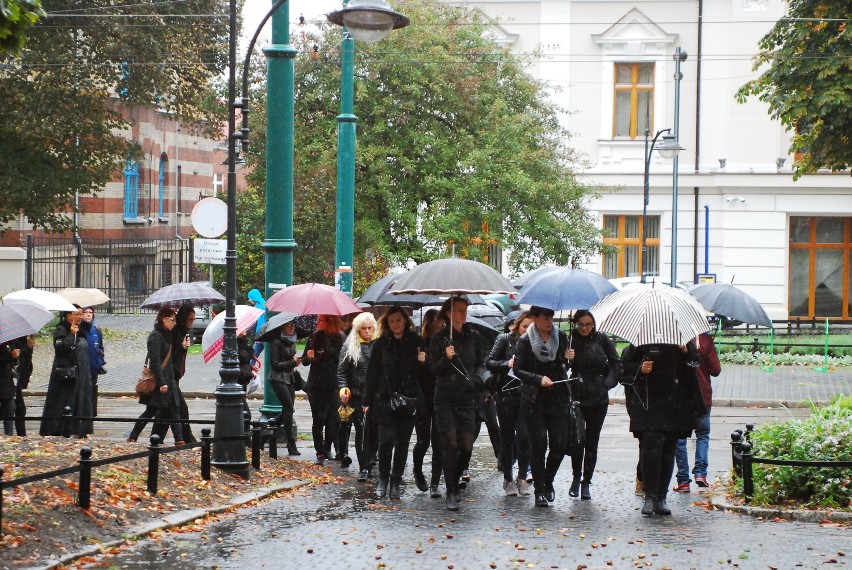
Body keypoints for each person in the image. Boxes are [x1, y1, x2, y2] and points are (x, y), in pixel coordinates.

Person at [621, 342, 705, 516]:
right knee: (651, 448)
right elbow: (624, 368)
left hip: (675, 403)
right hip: (649, 404)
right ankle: (650, 496)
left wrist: (686, 351)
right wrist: (640, 368)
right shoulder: (642, 340)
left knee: (668, 450)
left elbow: (696, 362)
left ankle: (661, 497)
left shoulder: (680, 339)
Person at [428, 296, 489, 511]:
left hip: (466, 397)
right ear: (448, 313)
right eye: (459, 310)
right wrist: (446, 358)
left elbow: (483, 361)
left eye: (465, 309)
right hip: (445, 397)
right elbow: (433, 370)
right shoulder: (440, 338)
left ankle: (453, 477)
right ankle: (451, 489)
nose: (464, 313)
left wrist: (478, 377)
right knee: (451, 444)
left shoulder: (474, 336)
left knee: (466, 446)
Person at [363, 306, 426, 500]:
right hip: (385, 399)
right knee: (386, 440)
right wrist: (367, 400)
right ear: (386, 324)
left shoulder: (416, 342)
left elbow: (425, 375)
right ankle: (383, 478)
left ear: (405, 321)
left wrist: (422, 362)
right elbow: (372, 373)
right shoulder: (381, 344)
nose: (396, 324)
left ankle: (396, 480)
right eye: (392, 321)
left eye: (399, 320)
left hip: (408, 400)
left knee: (402, 443)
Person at [513, 305, 571, 507]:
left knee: (560, 445)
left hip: (558, 398)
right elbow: (519, 370)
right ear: (535, 318)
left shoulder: (561, 337)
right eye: (545, 318)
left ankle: (548, 480)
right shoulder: (525, 341)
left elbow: (565, 366)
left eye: (552, 318)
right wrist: (538, 379)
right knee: (538, 444)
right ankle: (539, 490)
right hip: (534, 400)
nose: (549, 322)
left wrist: (568, 358)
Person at [565, 310, 622, 501]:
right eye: (581, 324)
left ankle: (586, 481)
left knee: (592, 440)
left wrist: (607, 384)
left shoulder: (601, 339)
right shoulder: (570, 340)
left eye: (588, 324)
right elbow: (561, 367)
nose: (584, 328)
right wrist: (567, 359)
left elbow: (616, 363)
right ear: (575, 324)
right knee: (577, 440)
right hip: (577, 393)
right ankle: (575, 477)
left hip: (598, 395)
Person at [486, 310, 534, 497]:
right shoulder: (505, 340)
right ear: (517, 325)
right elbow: (490, 362)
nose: (527, 330)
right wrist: (507, 364)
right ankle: (508, 478)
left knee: (524, 436)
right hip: (506, 394)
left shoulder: (536, 342)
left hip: (527, 394)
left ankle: (522, 477)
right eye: (524, 326)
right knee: (507, 437)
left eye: (531, 327)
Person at [128, 308, 184, 445]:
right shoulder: (156, 336)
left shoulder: (167, 335)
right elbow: (155, 362)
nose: (174, 323)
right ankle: (133, 436)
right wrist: (162, 382)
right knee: (150, 411)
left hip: (169, 379)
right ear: (163, 319)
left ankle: (179, 440)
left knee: (174, 409)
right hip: (161, 381)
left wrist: (182, 347)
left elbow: (170, 357)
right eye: (172, 320)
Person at [674, 331, 721, 492]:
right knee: (702, 434)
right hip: (702, 395)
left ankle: (683, 480)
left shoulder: (675, 339)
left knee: (680, 438)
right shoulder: (705, 339)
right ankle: (700, 474)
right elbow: (715, 370)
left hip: (681, 397)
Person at [40, 306, 94, 438]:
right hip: (66, 374)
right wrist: (71, 334)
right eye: (78, 314)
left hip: (81, 373)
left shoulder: (81, 329)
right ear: (69, 316)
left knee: (81, 401)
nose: (81, 316)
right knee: (63, 403)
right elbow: (60, 348)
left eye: (82, 314)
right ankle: (58, 429)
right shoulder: (61, 329)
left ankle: (80, 429)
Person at [337, 313, 379, 479]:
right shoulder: (350, 346)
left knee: (376, 431)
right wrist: (343, 389)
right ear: (358, 329)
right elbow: (342, 371)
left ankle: (371, 459)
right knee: (362, 431)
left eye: (370, 328)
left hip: (377, 395)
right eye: (364, 328)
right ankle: (364, 466)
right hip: (358, 394)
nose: (367, 331)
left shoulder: (380, 345)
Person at [301, 315, 346, 465]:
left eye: (320, 320)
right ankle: (320, 451)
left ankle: (330, 448)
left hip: (333, 384)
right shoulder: (314, 337)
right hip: (316, 385)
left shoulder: (340, 337)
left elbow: (344, 360)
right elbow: (305, 361)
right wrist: (309, 357)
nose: (317, 323)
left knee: (334, 419)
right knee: (319, 419)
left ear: (329, 322)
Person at [154, 305, 197, 444]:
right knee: (179, 407)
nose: (192, 322)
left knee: (166, 408)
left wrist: (183, 348)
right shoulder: (174, 332)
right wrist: (182, 347)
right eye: (190, 319)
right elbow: (169, 356)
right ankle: (184, 438)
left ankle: (156, 437)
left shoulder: (181, 331)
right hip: (169, 375)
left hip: (174, 375)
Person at [415, 308, 445, 498]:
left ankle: (435, 482)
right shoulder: (419, 344)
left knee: (439, 441)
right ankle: (418, 471)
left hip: (440, 395)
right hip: (423, 397)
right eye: (439, 322)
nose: (442, 325)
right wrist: (419, 362)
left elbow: (440, 370)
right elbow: (415, 374)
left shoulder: (444, 343)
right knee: (423, 440)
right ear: (430, 322)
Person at [269, 318, 303, 456]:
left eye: (293, 325)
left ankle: (266, 430)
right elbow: (275, 364)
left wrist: (299, 361)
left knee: (288, 410)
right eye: (288, 325)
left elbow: (292, 361)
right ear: (282, 326)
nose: (291, 328)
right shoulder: (276, 342)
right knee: (289, 408)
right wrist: (292, 362)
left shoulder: (292, 341)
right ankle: (291, 443)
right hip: (277, 379)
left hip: (289, 379)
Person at [79, 306, 106, 417]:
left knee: (93, 388)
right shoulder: (78, 329)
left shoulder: (96, 329)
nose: (89, 314)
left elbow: (100, 345)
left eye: (91, 312)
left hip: (94, 365)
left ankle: (91, 412)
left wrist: (100, 358)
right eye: (86, 312)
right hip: (82, 365)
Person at [13, 335, 34, 436]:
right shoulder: (12, 339)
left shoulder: (22, 339)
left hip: (17, 380)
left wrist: (29, 348)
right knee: (18, 408)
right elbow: (15, 356)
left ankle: (22, 435)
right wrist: (27, 348)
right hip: (9, 379)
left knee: (19, 409)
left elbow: (26, 360)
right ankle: (21, 435)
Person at [0, 340, 20, 435]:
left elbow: (15, 361)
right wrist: (10, 356)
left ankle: (9, 436)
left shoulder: (9, 340)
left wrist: (15, 357)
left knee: (10, 408)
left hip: (7, 382)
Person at [247, 288, 267, 357]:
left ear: (253, 298)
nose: (249, 300)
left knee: (254, 355)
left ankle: (250, 366)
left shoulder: (257, 307)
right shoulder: (264, 304)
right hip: (265, 333)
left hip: (260, 333)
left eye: (250, 298)